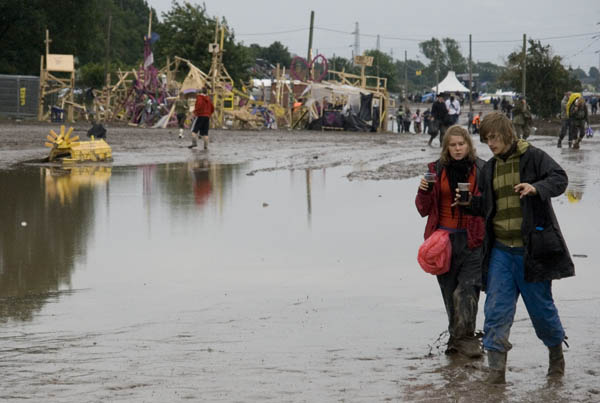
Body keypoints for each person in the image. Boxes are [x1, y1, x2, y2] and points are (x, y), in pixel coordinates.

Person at [463, 112, 574, 384]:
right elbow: (489, 207)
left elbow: (560, 179)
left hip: (531, 252)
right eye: (486, 139)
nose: (490, 143)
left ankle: (556, 358)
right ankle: (495, 374)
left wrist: (536, 188)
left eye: (494, 137)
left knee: (542, 312)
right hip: (501, 252)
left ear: (507, 134)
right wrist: (467, 203)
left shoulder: (533, 157)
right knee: (496, 312)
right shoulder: (488, 169)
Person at [415, 125, 486, 359]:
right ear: (446, 148)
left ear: (469, 145)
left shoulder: (482, 169)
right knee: (449, 295)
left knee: (466, 291)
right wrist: (423, 191)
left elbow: (489, 207)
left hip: (473, 239)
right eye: (452, 145)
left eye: (461, 144)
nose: (457, 149)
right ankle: (457, 342)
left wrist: (474, 200)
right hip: (442, 242)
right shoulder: (435, 171)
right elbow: (422, 210)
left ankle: (466, 341)